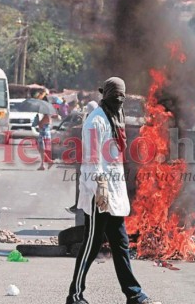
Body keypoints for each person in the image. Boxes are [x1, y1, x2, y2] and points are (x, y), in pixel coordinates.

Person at [66, 77, 160, 304]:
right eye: (116, 96)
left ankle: (133, 293)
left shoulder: (115, 118)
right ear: (105, 95)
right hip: (99, 193)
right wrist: (100, 187)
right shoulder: (95, 121)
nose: (120, 100)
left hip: (114, 195)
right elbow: (91, 158)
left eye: (122, 97)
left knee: (121, 245)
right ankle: (75, 295)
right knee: (91, 245)